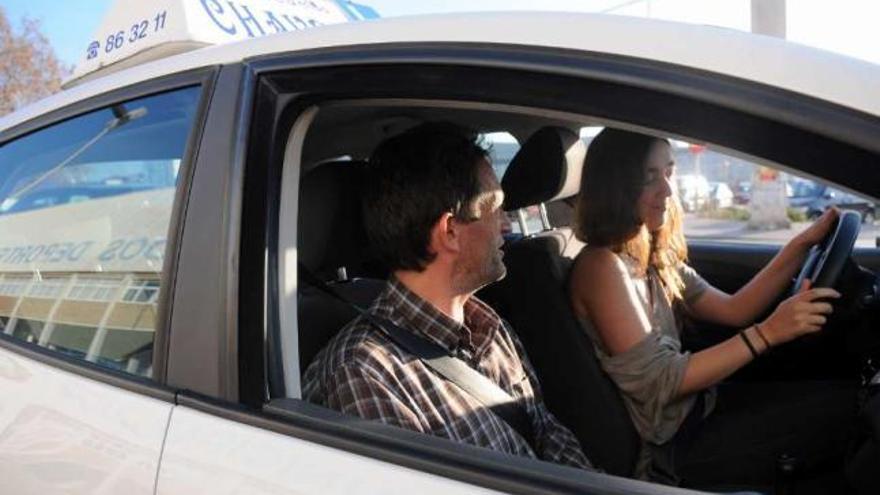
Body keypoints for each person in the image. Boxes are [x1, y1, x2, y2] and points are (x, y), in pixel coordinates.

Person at [568, 128, 856, 487]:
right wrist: (770, 332)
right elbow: (661, 382)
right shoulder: (601, 267)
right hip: (675, 449)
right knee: (852, 412)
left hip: (700, 409)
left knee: (844, 394)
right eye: (649, 178)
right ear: (617, 186)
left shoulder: (650, 254)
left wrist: (801, 244)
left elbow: (735, 309)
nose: (668, 191)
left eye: (669, 172)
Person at [303, 122, 592, 470]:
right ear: (450, 231)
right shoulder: (366, 375)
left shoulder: (486, 324)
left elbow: (547, 434)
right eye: (496, 208)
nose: (507, 224)